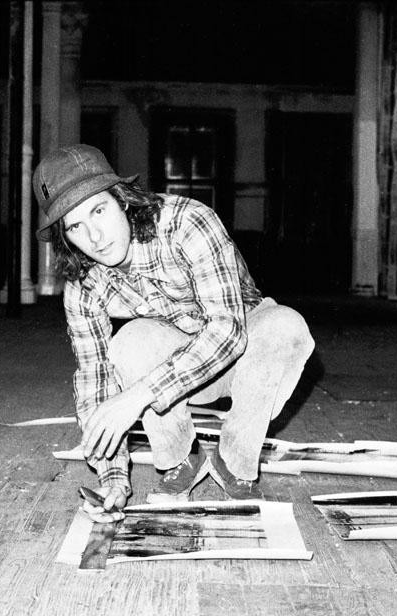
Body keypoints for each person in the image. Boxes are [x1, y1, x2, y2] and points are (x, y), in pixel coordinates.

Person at [33, 144, 315, 522]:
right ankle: (179, 459)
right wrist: (113, 477)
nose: (95, 237)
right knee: (130, 341)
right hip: (178, 370)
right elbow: (94, 380)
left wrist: (137, 396)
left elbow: (228, 332)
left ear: (124, 201)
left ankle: (235, 462)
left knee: (286, 326)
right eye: (76, 227)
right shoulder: (84, 285)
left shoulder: (187, 222)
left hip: (246, 355)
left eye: (98, 211)